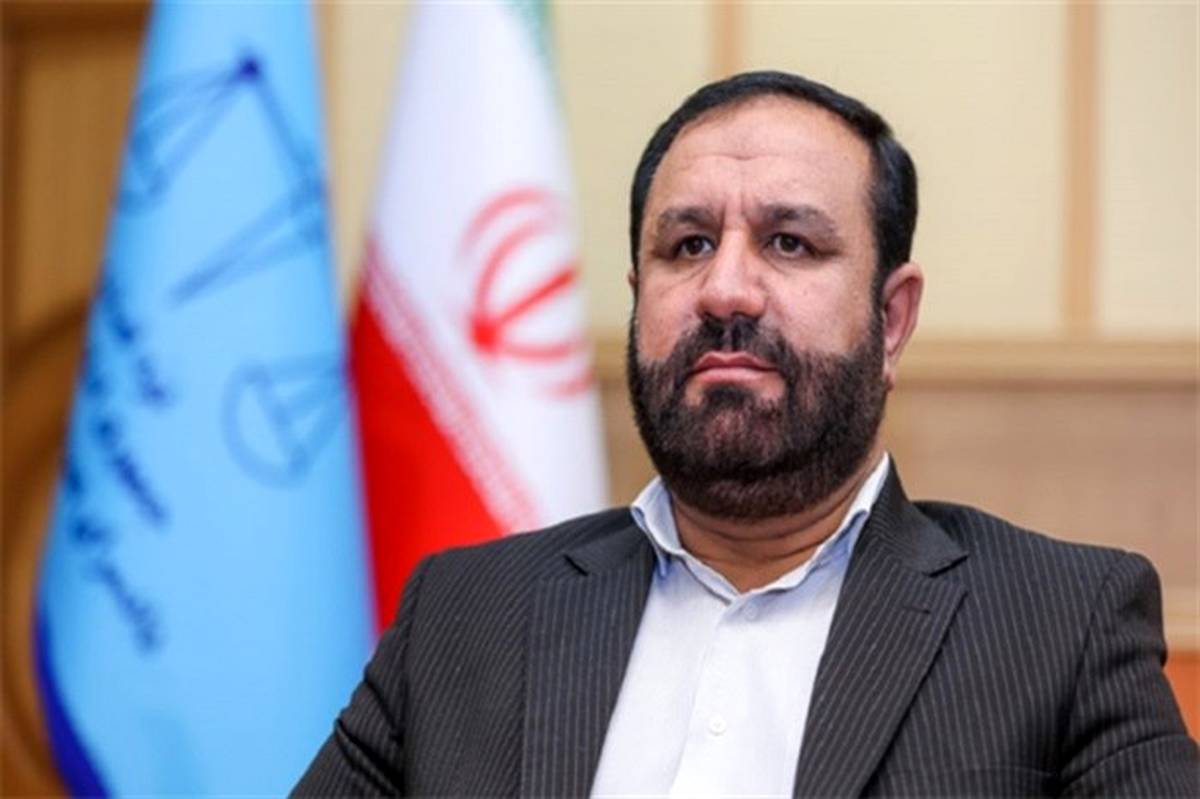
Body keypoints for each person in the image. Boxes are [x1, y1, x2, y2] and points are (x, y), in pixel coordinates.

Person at [295, 71, 1197, 797]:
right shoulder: (465, 613)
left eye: (790, 242)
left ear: (891, 319)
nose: (726, 289)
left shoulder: (1059, 623)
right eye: (687, 244)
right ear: (638, 299)